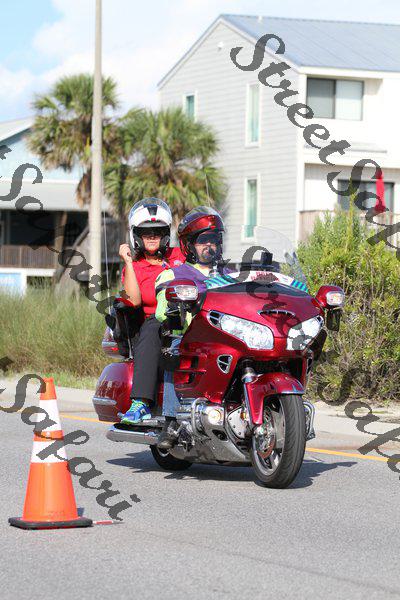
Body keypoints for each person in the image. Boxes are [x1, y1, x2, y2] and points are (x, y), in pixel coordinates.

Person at [154, 206, 234, 448]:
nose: (210, 246)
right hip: (191, 336)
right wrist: (175, 309)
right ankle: (170, 422)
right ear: (189, 245)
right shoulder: (173, 274)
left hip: (227, 336)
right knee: (175, 351)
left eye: (214, 240)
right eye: (203, 241)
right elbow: (161, 311)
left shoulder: (232, 275)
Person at [119, 198, 184, 425]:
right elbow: (134, 300)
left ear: (166, 233)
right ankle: (141, 403)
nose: (152, 236)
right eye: (146, 232)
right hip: (157, 324)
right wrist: (128, 262)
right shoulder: (135, 267)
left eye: (158, 231)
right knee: (153, 326)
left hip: (190, 317)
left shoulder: (179, 256)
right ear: (136, 235)